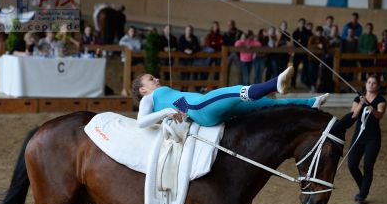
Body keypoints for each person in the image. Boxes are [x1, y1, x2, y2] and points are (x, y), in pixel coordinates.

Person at [132, 66, 329, 128]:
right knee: (233, 91)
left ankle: (310, 103)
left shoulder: (162, 92)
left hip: (201, 108)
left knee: (263, 105)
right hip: (200, 108)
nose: (156, 79)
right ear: (142, 90)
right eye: (151, 79)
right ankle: (273, 83)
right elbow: (140, 123)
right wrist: (166, 111)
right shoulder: (149, 99)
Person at [348, 75, 387, 204]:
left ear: (378, 86)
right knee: (352, 164)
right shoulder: (358, 99)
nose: (371, 85)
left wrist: (372, 108)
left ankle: (362, 195)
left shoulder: (381, 100)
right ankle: (363, 188)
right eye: (369, 82)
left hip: (373, 138)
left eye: (374, 83)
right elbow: (353, 115)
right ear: (365, 84)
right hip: (358, 137)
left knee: (368, 166)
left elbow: (379, 116)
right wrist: (361, 103)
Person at [307, 26, 329, 93]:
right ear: (316, 32)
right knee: (311, 73)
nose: (319, 33)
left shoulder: (323, 38)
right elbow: (309, 46)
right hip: (311, 58)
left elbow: (327, 46)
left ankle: (316, 87)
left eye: (321, 32)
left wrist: (323, 46)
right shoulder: (312, 38)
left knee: (317, 73)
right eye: (318, 32)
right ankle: (312, 86)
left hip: (319, 59)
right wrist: (317, 46)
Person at [292, 18, 311, 88]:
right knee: (295, 68)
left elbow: (307, 42)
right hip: (297, 53)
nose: (302, 24)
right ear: (298, 23)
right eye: (300, 23)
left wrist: (301, 41)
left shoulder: (308, 32)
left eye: (303, 23)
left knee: (306, 68)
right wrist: (302, 41)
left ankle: (307, 83)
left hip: (305, 53)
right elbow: (295, 43)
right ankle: (293, 83)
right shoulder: (295, 33)